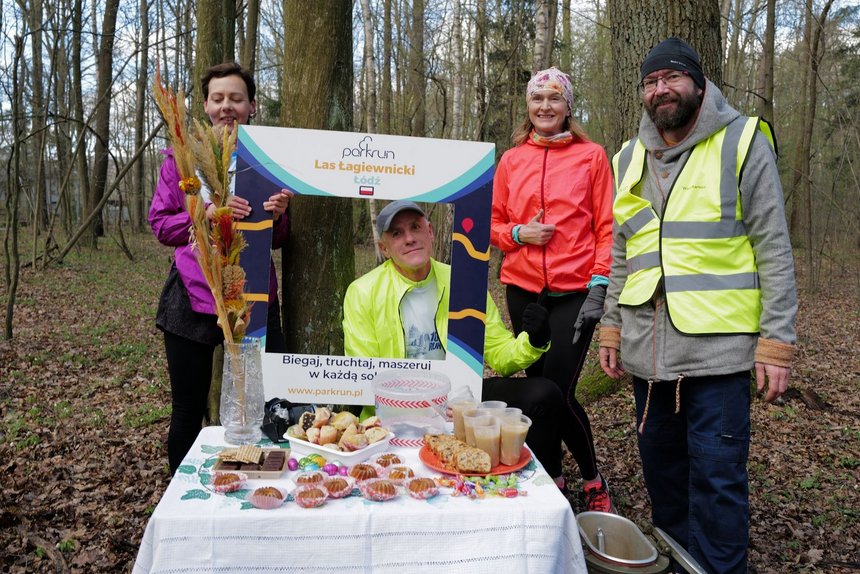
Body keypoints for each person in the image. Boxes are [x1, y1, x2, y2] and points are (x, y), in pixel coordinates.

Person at [599, 38, 797, 573]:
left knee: (717, 485)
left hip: (718, 358)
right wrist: (612, 328)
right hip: (648, 358)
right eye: (650, 80)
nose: (661, 89)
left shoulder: (742, 141)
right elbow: (624, 251)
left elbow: (773, 247)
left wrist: (776, 345)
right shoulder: (627, 156)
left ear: (699, 83)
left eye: (672, 77)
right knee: (664, 482)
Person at [343, 200, 568, 485]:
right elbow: (367, 376)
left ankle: (542, 488)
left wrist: (535, 340)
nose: (410, 238)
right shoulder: (362, 292)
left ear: (431, 231)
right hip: (394, 410)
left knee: (545, 393)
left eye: (415, 227)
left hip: (463, 400)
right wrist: (431, 404)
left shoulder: (462, 282)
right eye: (397, 233)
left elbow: (501, 355)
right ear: (384, 247)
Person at [149, 62, 291, 475]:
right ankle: (184, 500)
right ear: (207, 105)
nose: (227, 106)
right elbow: (160, 223)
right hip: (193, 297)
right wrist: (204, 213)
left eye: (236, 98)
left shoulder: (265, 161)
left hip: (254, 300)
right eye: (218, 98)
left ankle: (260, 486)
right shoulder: (181, 158)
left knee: (269, 403)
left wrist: (279, 215)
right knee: (187, 409)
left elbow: (278, 238)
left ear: (251, 106)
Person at [491, 67, 615, 511]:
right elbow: (492, 224)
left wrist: (600, 284)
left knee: (557, 392)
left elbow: (607, 227)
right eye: (537, 97)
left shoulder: (592, 156)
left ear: (568, 106)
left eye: (554, 98)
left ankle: (592, 478)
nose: (545, 106)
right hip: (524, 289)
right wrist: (520, 234)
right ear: (528, 106)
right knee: (538, 389)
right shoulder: (511, 160)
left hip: (576, 289)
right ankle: (553, 478)